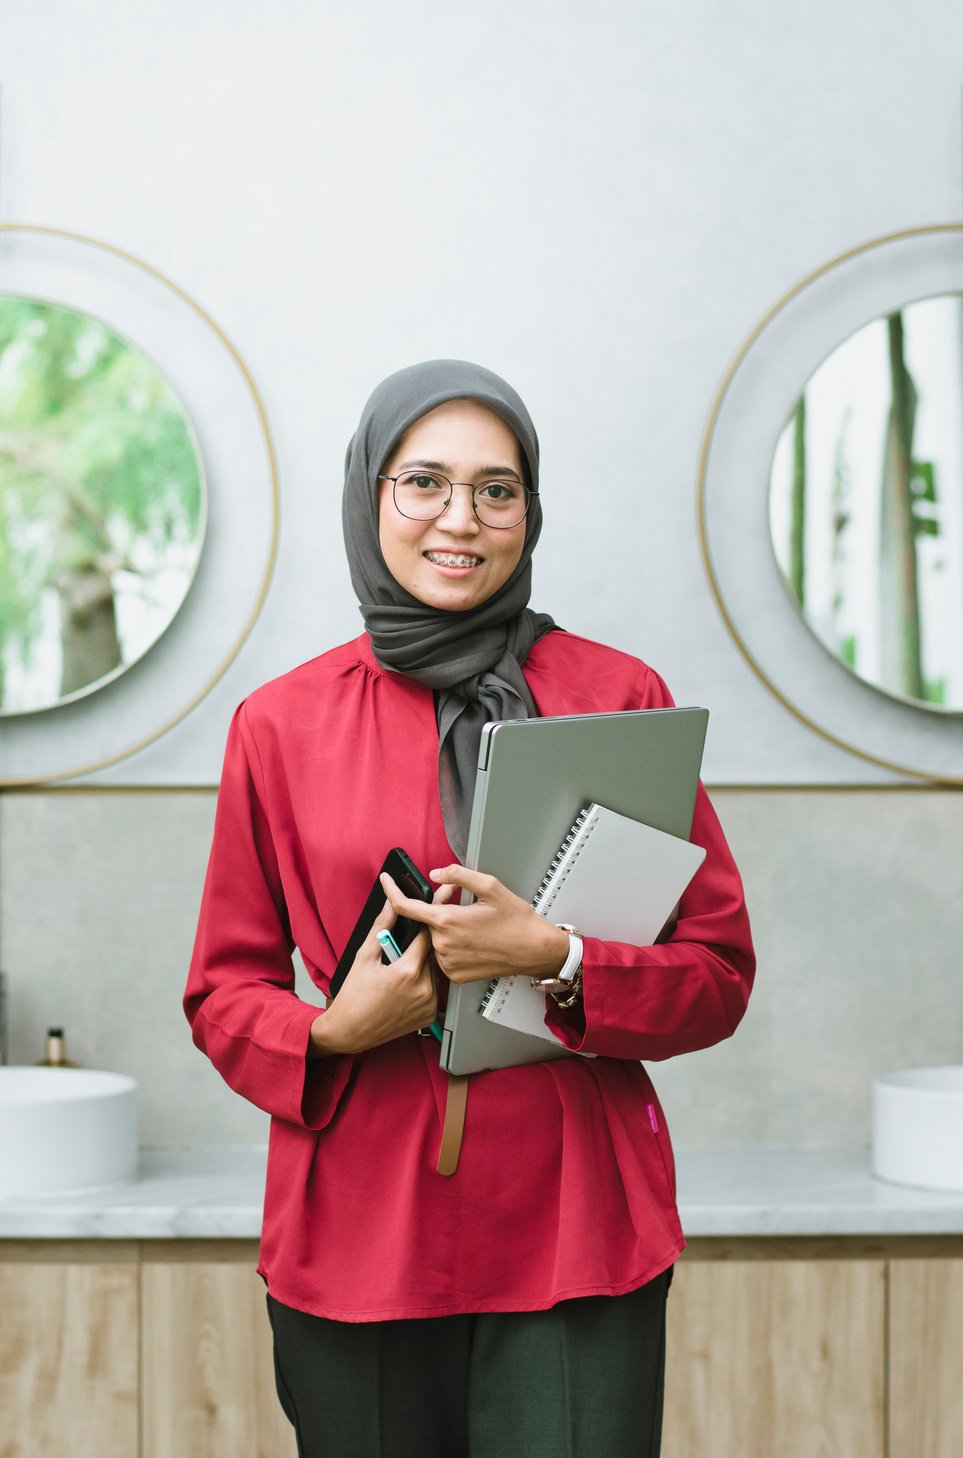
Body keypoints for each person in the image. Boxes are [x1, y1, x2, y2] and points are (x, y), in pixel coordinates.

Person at [184, 359, 754, 1458]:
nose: (463, 518)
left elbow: (717, 975)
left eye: (498, 489)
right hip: (360, 1230)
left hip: (575, 1226)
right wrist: (334, 1029)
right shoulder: (280, 724)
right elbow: (221, 989)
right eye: (424, 483)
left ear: (531, 510)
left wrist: (561, 955)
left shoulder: (618, 696)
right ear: (370, 495)